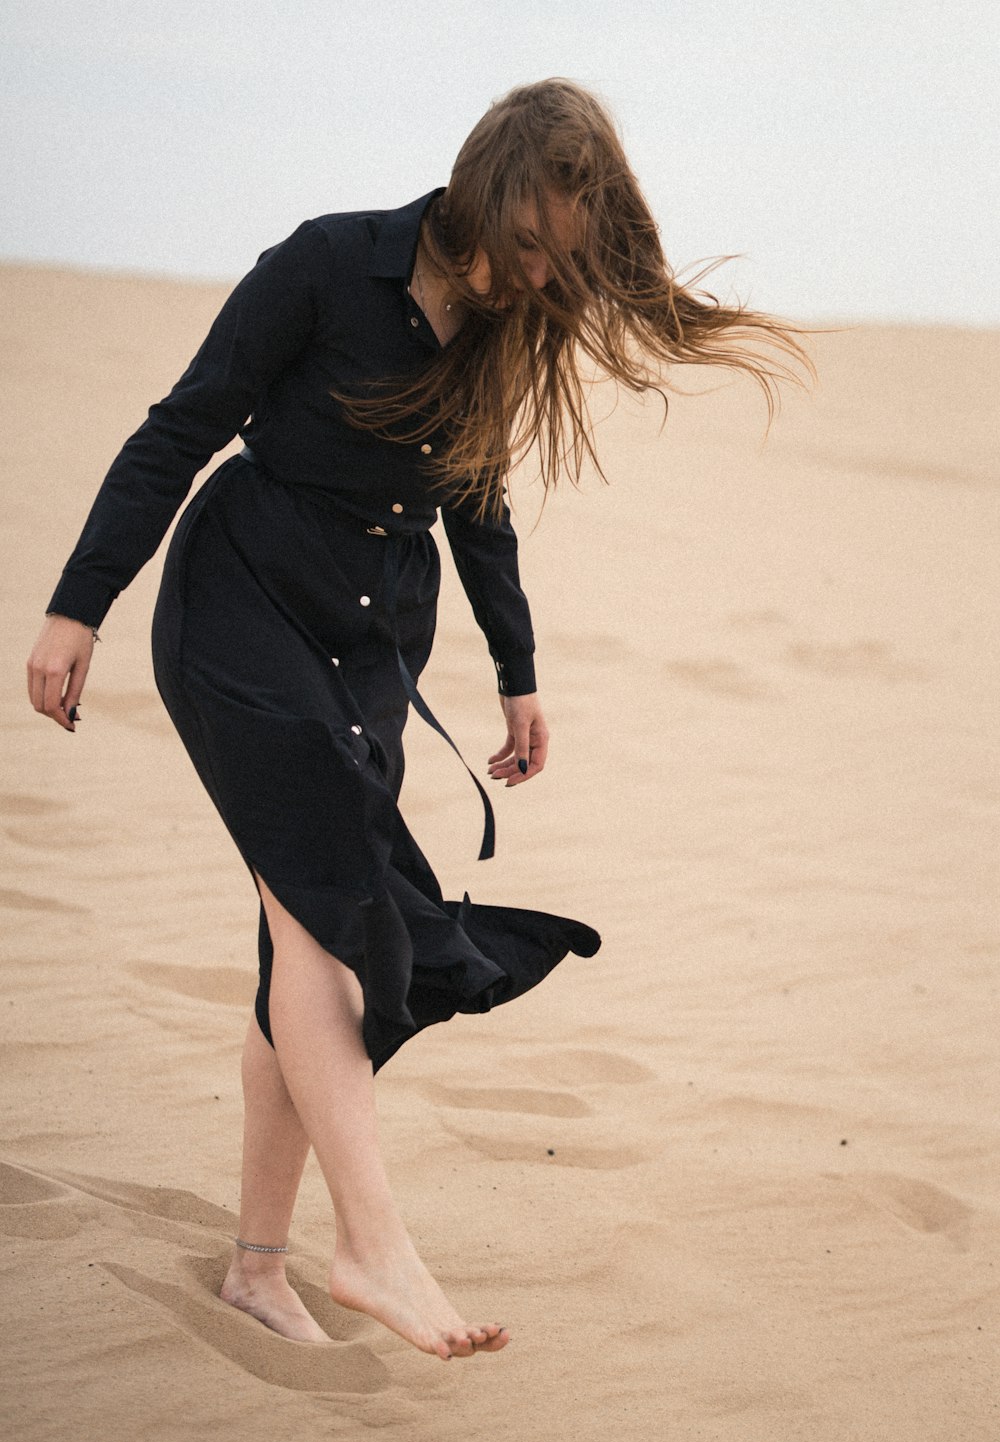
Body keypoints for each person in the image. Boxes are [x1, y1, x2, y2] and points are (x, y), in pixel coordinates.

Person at [26, 79, 807, 1361]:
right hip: (239, 614)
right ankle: (372, 1243)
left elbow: (477, 502)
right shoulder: (328, 264)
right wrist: (75, 606)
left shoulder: (507, 334)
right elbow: (178, 431)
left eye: (565, 259)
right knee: (327, 927)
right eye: (534, 242)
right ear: (484, 188)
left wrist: (518, 667)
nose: (538, 276)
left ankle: (258, 1265)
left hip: (368, 648)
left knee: (301, 955)